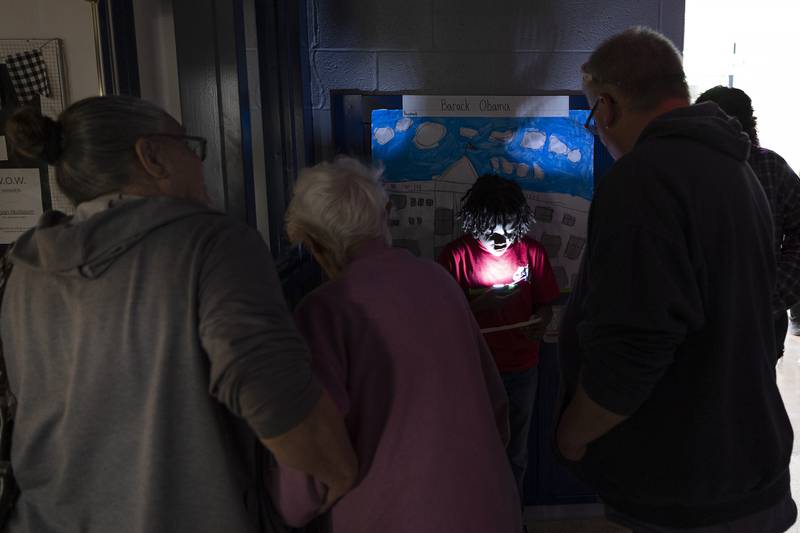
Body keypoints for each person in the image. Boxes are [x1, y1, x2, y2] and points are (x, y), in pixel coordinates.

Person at [2, 96, 357, 533]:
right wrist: (338, 467)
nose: (199, 159)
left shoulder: (25, 269)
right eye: (188, 145)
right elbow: (275, 398)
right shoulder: (211, 244)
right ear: (151, 156)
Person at [556, 27, 796, 532]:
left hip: (683, 487)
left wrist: (575, 431)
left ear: (608, 105)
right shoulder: (738, 168)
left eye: (592, 116)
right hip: (745, 467)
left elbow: (636, 346)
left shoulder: (644, 179)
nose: (596, 129)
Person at [268, 158, 521, 533]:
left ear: (314, 243)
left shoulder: (323, 313)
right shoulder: (439, 281)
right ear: (386, 213)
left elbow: (307, 473)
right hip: (491, 510)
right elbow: (497, 408)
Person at [438, 174, 560, 507]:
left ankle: (509, 518)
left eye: (508, 227)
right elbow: (439, 318)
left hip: (522, 367)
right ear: (474, 222)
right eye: (490, 229)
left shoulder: (531, 253)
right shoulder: (454, 256)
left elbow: (545, 304)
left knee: (515, 454)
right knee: (471, 452)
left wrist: (541, 322)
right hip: (472, 370)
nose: (500, 238)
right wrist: (479, 305)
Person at [695, 86, 800, 361]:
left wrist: (772, 295)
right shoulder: (688, 170)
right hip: (698, 319)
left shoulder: (772, 167)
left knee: (753, 396)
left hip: (760, 322)